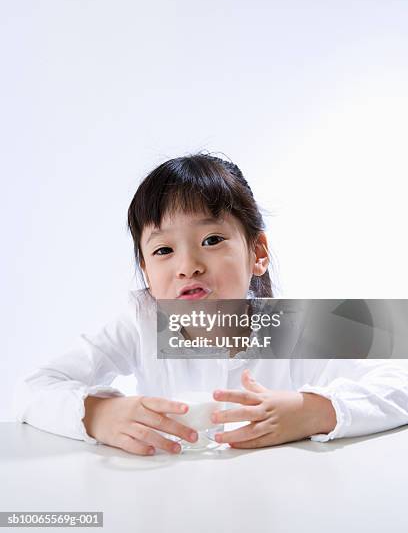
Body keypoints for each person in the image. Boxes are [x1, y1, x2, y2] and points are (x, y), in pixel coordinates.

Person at [13, 152, 408, 456]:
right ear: (146, 272)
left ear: (258, 252)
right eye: (164, 249)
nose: (188, 266)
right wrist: (97, 414)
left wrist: (316, 410)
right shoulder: (144, 322)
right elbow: (32, 390)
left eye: (211, 240)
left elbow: (400, 381)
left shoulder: (297, 324)